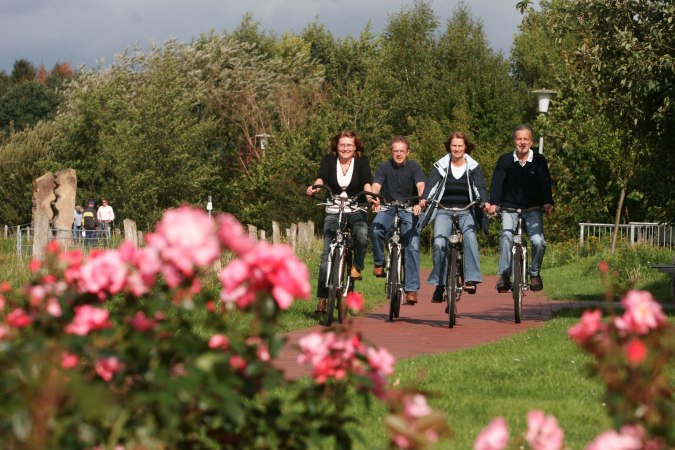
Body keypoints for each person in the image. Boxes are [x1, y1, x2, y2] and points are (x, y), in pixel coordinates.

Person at [306, 130, 373, 314]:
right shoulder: (329, 160)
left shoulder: (362, 162)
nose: (345, 148)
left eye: (349, 145)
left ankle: (356, 267)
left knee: (360, 235)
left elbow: (367, 182)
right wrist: (315, 187)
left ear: (355, 147)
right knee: (326, 255)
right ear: (336, 146)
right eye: (342, 145)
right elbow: (321, 177)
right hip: (334, 210)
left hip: (355, 209)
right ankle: (322, 298)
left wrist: (369, 196)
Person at [418, 132, 489, 302]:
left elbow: (480, 187)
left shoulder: (473, 167)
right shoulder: (441, 165)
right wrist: (424, 199)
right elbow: (431, 185)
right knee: (439, 244)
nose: (456, 149)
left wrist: (484, 202)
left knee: (471, 237)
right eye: (454, 145)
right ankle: (440, 284)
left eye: (460, 146)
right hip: (444, 210)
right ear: (449, 147)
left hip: (467, 210)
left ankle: (471, 278)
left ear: (466, 148)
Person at [487, 124, 554, 292]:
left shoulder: (538, 160)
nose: (522, 142)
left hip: (533, 207)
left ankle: (534, 273)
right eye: (519, 139)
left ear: (531, 142)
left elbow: (545, 183)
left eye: (525, 139)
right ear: (514, 141)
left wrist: (548, 202)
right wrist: (493, 203)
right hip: (509, 207)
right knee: (506, 236)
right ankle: (504, 275)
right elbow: (496, 183)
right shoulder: (505, 160)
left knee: (539, 242)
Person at [370, 136, 426, 304]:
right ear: (391, 152)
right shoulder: (384, 167)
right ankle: (379, 263)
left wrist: (421, 201)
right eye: (396, 151)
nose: (399, 153)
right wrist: (375, 198)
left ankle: (411, 289)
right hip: (388, 207)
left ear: (407, 152)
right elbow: (376, 186)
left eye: (402, 151)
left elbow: (421, 186)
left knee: (413, 246)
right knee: (375, 229)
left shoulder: (415, 167)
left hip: (409, 208)